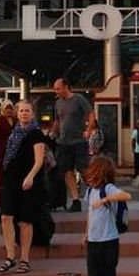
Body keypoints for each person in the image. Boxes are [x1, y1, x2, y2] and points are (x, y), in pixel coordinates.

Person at [0, 100, 47, 275]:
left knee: (25, 221)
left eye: (27, 111)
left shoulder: (36, 134)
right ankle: (10, 256)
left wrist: (31, 176)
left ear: (32, 114)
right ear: (17, 114)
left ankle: (24, 258)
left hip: (28, 181)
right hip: (11, 179)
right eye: (21, 111)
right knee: (5, 216)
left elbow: (39, 159)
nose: (24, 113)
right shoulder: (14, 133)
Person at [84, 155, 132, 276]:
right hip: (93, 241)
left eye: (93, 172)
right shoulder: (90, 191)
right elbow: (91, 214)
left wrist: (105, 199)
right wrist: (86, 233)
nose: (89, 175)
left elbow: (126, 196)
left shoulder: (108, 188)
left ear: (101, 173)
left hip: (109, 241)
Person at [52, 78, 96, 213]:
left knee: (84, 170)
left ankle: (94, 195)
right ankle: (76, 200)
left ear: (66, 86)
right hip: (63, 142)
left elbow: (91, 114)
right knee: (68, 171)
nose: (56, 91)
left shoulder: (79, 99)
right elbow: (57, 120)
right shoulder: (58, 103)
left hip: (78, 141)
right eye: (55, 89)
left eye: (58, 88)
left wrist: (89, 131)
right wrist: (53, 134)